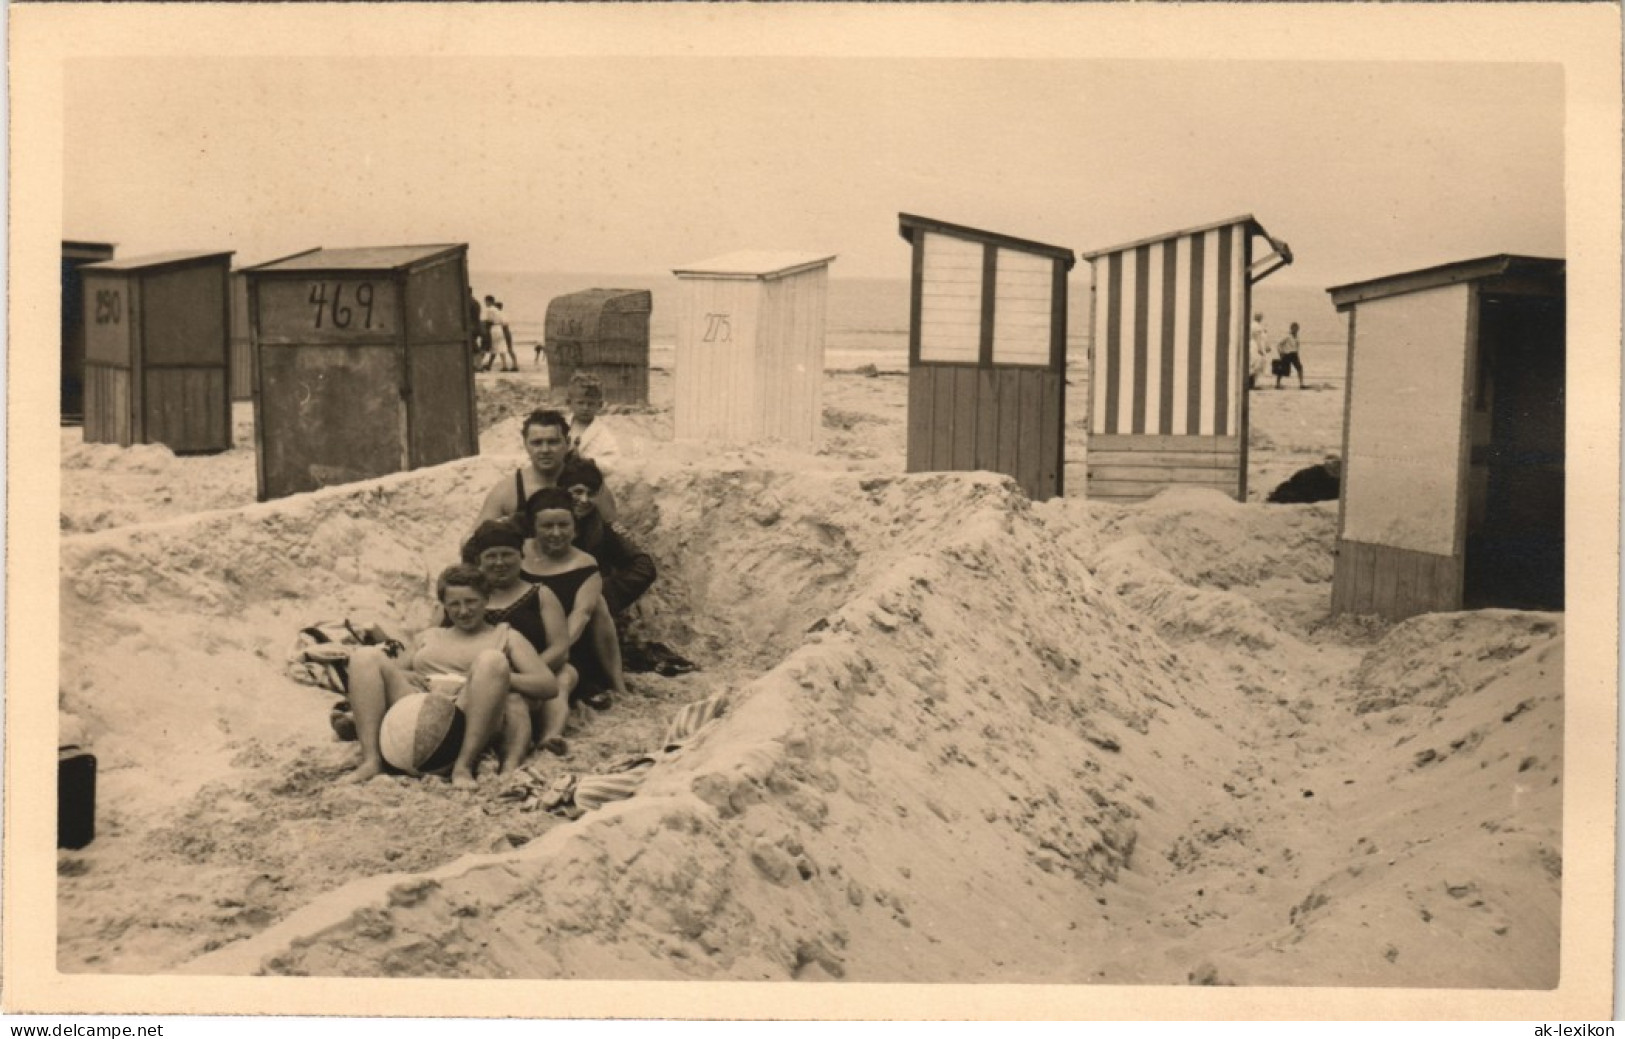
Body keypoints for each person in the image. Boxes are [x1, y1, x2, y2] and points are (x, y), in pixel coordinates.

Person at [342, 565, 558, 788]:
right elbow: (395, 670)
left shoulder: (505, 635)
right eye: (454, 604)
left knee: (491, 660)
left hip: (469, 710)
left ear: (486, 599)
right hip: (418, 704)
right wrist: (407, 675)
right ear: (444, 606)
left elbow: (548, 685)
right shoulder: (430, 636)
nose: (463, 611)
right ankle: (372, 760)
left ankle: (463, 766)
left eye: (471, 601)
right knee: (364, 656)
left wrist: (495, 679)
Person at [459, 519, 575, 756]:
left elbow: (560, 646)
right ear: (479, 560)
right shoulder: (465, 599)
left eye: (507, 555)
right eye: (491, 556)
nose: (500, 563)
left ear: (521, 556)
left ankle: (550, 736)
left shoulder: (540, 594)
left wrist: (526, 674)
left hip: (535, 671)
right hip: (473, 675)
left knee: (564, 674)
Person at [520, 487, 630, 711]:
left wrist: (550, 656)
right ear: (533, 527)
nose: (556, 533)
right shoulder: (517, 554)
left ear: (574, 527)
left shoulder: (584, 565)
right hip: (522, 641)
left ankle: (616, 684)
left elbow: (580, 616)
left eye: (563, 525)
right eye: (547, 526)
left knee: (598, 603)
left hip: (568, 647)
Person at [474, 409, 618, 529]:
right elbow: (472, 540)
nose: (545, 450)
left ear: (567, 443)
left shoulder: (589, 484)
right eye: (537, 443)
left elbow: (614, 532)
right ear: (525, 445)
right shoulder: (508, 490)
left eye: (553, 442)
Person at [565, 373, 621, 470]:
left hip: (585, 476)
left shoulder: (603, 434)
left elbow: (612, 461)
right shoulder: (561, 425)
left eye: (590, 404)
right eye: (580, 403)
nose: (585, 408)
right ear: (569, 403)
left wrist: (588, 461)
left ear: (599, 405)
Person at [1275, 321, 1305, 389]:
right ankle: (1277, 384)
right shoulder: (1287, 336)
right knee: (1282, 369)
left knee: (1299, 368)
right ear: (1291, 328)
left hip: (1294, 354)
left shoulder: (1297, 337)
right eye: (1294, 328)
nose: (1296, 330)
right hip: (1287, 354)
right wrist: (1281, 353)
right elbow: (1279, 344)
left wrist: (1297, 353)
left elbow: (1297, 346)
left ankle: (1301, 384)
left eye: (1297, 329)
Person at [493, 301, 519, 373]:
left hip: (503, 332)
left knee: (504, 349)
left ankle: (506, 365)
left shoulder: (499, 315)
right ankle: (514, 365)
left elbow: (503, 324)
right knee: (509, 349)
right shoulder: (503, 314)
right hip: (506, 332)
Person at [1249, 311, 1272, 391]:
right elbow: (1258, 338)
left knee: (1253, 364)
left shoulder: (1252, 325)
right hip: (1255, 346)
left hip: (1252, 346)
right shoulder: (1257, 326)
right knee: (1256, 365)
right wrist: (1260, 349)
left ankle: (1251, 383)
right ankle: (1252, 384)